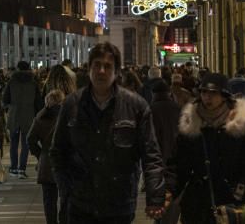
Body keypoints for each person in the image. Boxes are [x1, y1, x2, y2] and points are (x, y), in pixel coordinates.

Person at [50, 42, 168, 223]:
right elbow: (58, 151)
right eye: (97, 65)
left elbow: (151, 155)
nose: (102, 71)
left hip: (119, 205)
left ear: (117, 71)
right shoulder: (72, 105)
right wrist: (65, 188)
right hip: (81, 204)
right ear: (89, 69)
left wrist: (155, 198)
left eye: (108, 66)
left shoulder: (135, 106)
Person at [174, 72, 245, 224]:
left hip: (231, 207)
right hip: (197, 207)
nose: (207, 97)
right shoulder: (191, 125)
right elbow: (178, 164)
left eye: (213, 93)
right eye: (204, 92)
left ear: (224, 96)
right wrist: (168, 192)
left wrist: (239, 193)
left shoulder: (240, 126)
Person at [27, 88, 65, 224]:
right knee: (66, 199)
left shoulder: (40, 117)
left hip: (47, 162)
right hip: (65, 163)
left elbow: (30, 139)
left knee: (49, 201)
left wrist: (40, 154)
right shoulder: (68, 116)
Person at [149, 79, 182, 224]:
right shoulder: (178, 108)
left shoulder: (150, 110)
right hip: (176, 160)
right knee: (173, 197)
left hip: (156, 160)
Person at [2, 60, 38, 178]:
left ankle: (13, 168)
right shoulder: (33, 82)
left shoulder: (12, 82)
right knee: (25, 144)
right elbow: (38, 102)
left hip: (14, 115)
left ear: (17, 69)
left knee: (13, 143)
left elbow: (5, 99)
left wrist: (9, 107)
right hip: (28, 116)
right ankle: (22, 169)